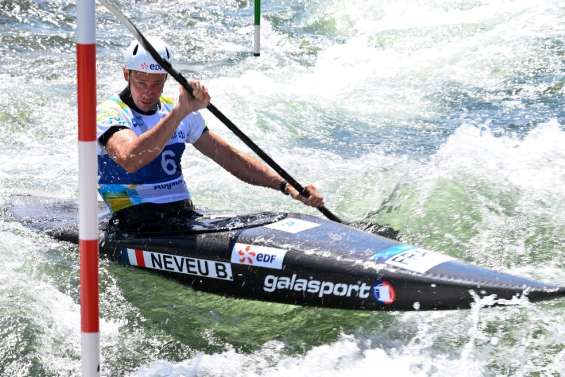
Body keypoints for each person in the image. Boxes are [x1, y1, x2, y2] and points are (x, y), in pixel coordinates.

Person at [96, 37, 324, 233]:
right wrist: (180, 112)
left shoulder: (174, 109)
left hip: (182, 216)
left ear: (167, 78)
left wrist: (286, 186)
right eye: (141, 82)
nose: (148, 91)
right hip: (133, 223)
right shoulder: (111, 113)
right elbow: (130, 159)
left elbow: (228, 157)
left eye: (157, 83)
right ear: (126, 74)